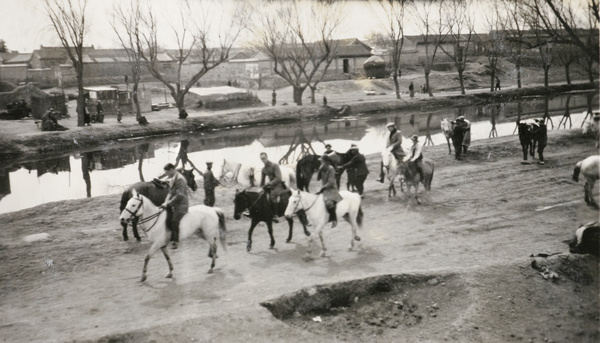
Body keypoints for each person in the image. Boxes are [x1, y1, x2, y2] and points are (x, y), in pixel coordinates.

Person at [160, 163, 189, 249]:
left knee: (174, 221)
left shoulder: (180, 179)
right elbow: (170, 192)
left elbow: (179, 195)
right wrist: (165, 202)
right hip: (174, 204)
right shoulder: (173, 178)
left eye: (167, 172)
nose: (166, 174)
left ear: (172, 170)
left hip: (182, 205)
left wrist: (168, 203)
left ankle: (175, 241)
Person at [316, 155, 343, 228]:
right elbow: (317, 179)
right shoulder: (322, 168)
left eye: (322, 161)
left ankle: (334, 219)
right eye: (320, 162)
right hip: (325, 189)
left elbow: (331, 182)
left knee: (329, 203)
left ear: (326, 162)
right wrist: (319, 170)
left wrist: (322, 188)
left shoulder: (331, 169)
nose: (320, 163)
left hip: (332, 189)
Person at [260, 152, 285, 222]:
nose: (263, 160)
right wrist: (260, 188)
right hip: (271, 185)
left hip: (278, 184)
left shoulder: (274, 165)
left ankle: (276, 215)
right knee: (262, 195)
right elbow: (262, 181)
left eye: (264, 158)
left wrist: (269, 184)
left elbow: (279, 178)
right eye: (261, 159)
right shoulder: (263, 169)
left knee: (273, 195)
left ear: (267, 157)